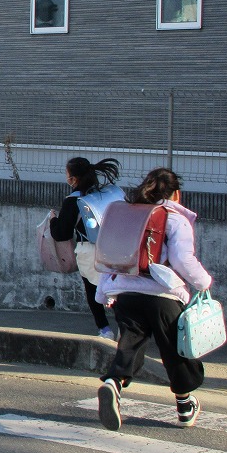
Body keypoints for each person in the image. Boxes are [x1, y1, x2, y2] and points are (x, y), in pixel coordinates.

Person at [95, 167, 211, 431]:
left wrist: (104, 293)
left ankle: (113, 383)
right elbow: (182, 259)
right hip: (163, 295)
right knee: (176, 350)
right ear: (176, 194)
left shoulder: (128, 215)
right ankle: (184, 407)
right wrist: (204, 282)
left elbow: (109, 256)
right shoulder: (173, 218)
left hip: (125, 293)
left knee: (130, 344)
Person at [49, 157, 121, 340]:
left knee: (93, 289)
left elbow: (61, 234)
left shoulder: (74, 200)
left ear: (73, 179)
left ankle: (105, 329)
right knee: (118, 289)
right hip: (116, 247)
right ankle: (125, 328)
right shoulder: (106, 193)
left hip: (89, 250)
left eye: (67, 176)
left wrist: (53, 220)